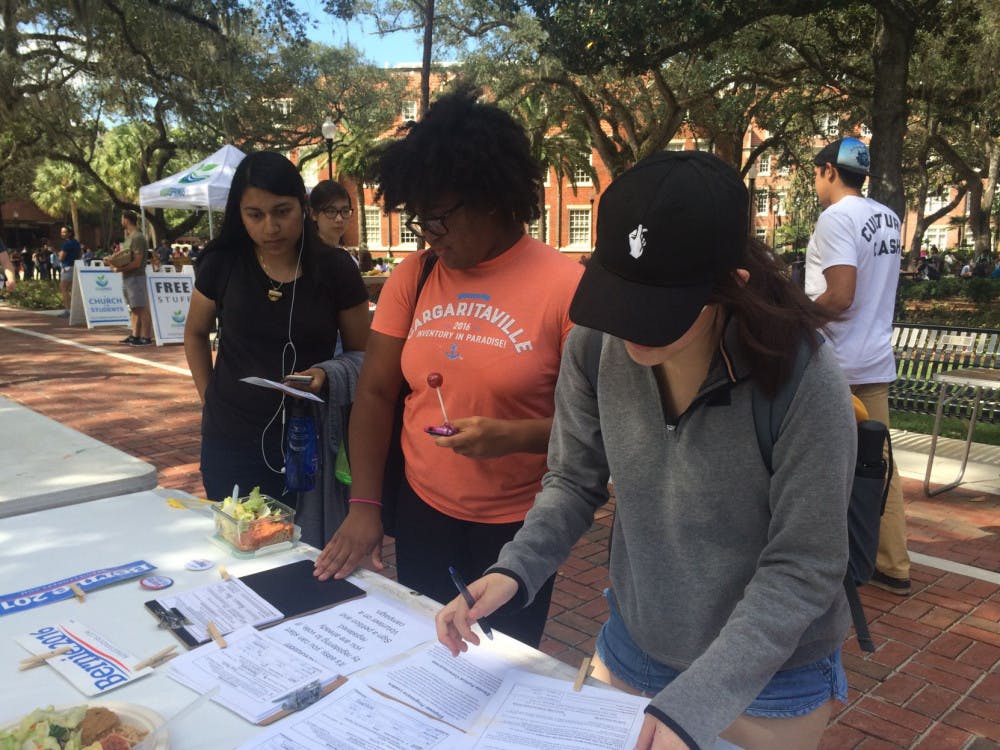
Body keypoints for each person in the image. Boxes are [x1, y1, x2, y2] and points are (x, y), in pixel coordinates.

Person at [435, 151, 856, 750]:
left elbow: (804, 564)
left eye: (657, 309)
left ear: (730, 286)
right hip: (638, 640)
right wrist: (513, 569)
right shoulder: (593, 347)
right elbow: (572, 481)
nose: (629, 326)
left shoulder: (802, 380)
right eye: (619, 297)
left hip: (769, 670)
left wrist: (696, 703)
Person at [313, 89, 584, 648]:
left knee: (499, 667)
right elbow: (376, 393)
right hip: (423, 512)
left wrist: (514, 436)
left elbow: (599, 428)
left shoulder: (566, 287)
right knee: (422, 652)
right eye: (421, 220)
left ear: (492, 199)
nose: (428, 234)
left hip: (519, 529)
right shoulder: (414, 276)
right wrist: (365, 505)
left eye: (439, 218)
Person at [184, 150, 370, 504]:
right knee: (237, 531)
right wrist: (209, 399)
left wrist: (325, 373)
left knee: (306, 537)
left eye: (282, 211)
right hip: (230, 440)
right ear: (239, 214)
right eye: (255, 215)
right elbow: (194, 333)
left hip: (309, 440)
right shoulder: (222, 263)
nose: (270, 227)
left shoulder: (336, 269)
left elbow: (362, 355)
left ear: (303, 206)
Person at [804, 137, 909, 596]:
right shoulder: (887, 217)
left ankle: (818, 560)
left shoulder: (835, 217)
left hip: (835, 365)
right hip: (875, 360)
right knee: (878, 466)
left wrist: (793, 316)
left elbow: (840, 296)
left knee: (817, 463)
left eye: (816, 174)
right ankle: (892, 562)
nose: (816, 182)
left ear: (829, 170)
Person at [107, 211, 154, 346]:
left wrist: (118, 269)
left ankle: (146, 337)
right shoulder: (129, 237)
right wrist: (112, 261)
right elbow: (126, 258)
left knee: (141, 307)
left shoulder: (137, 237)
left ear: (126, 220)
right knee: (134, 308)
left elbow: (137, 262)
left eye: (122, 218)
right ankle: (135, 335)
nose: (121, 221)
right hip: (128, 277)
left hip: (136, 277)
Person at [310, 180, 353, 249]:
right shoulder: (306, 253)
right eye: (331, 211)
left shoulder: (343, 253)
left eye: (345, 211)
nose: (339, 219)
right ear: (314, 214)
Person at [57, 226, 81, 316]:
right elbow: (79, 254)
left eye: (64, 232)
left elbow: (61, 257)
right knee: (70, 289)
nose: (62, 234)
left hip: (67, 268)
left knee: (64, 288)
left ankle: (68, 310)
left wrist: (59, 254)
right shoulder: (76, 243)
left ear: (69, 233)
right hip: (75, 266)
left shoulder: (66, 244)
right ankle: (73, 309)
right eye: (61, 232)